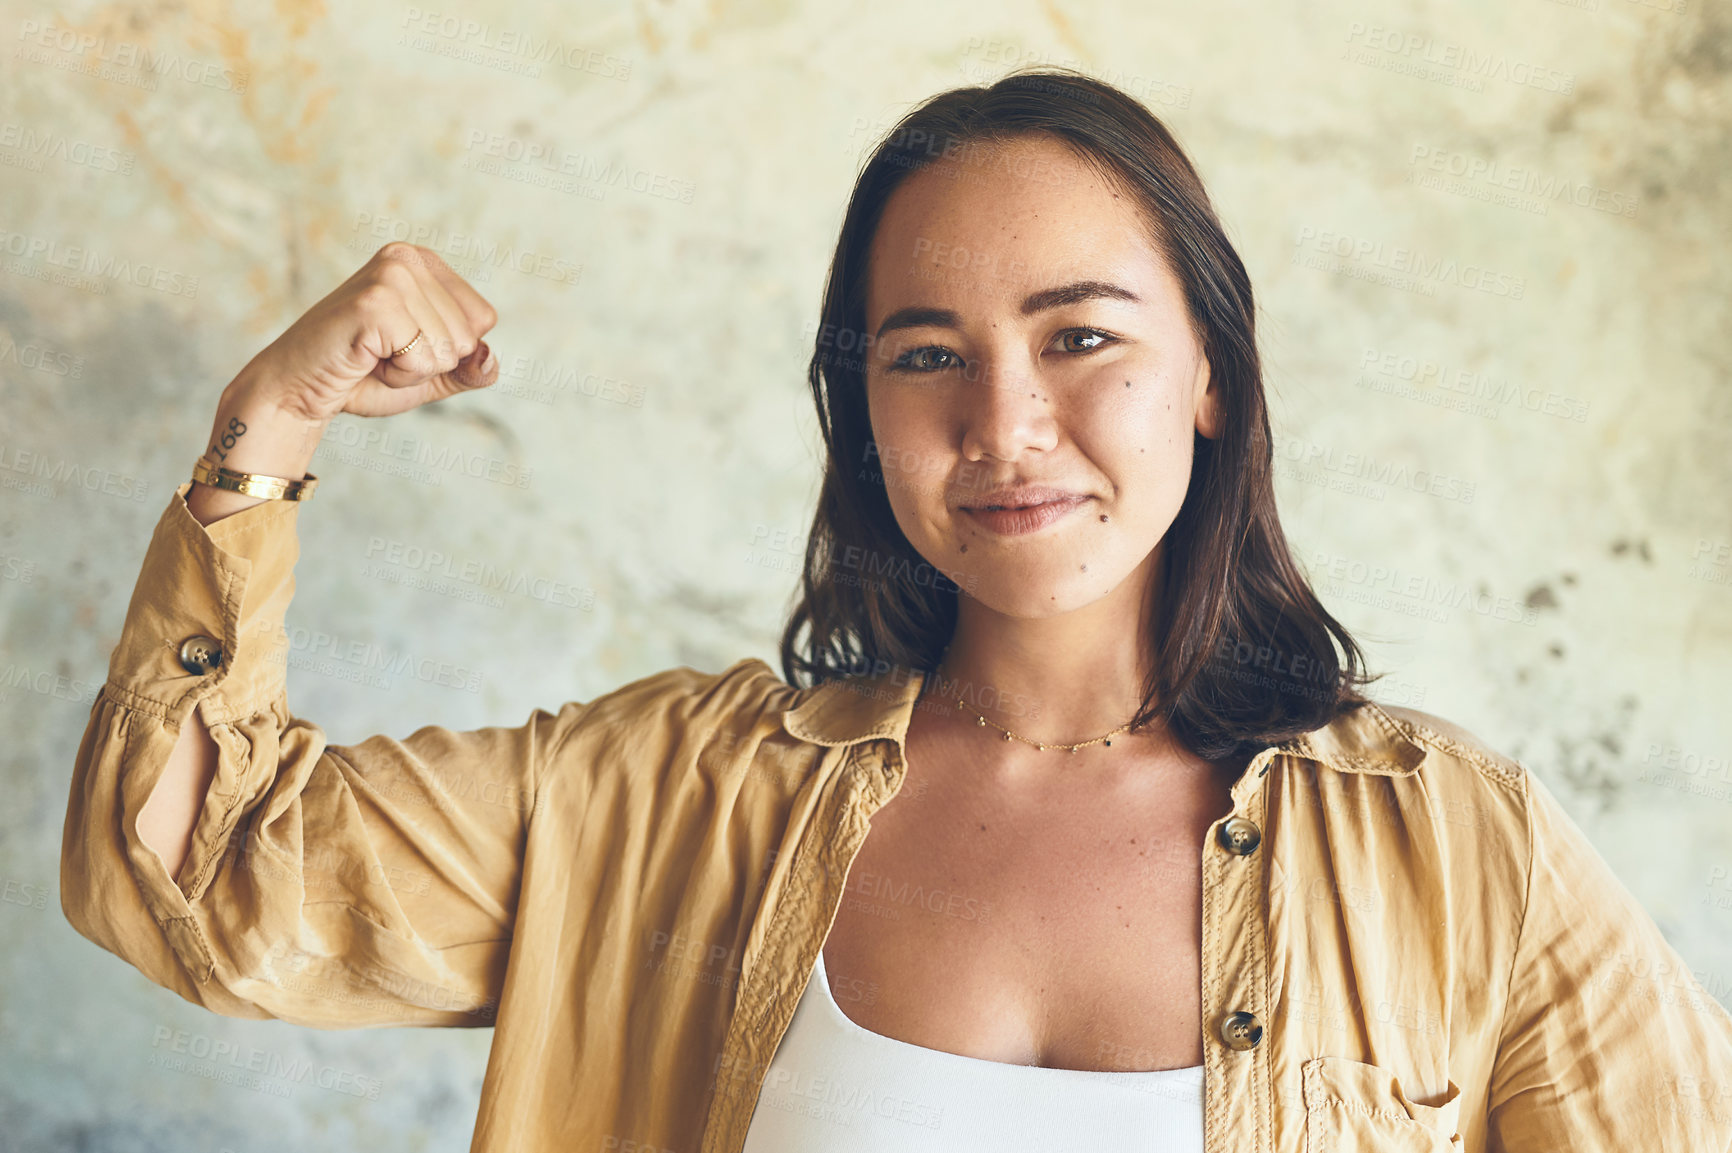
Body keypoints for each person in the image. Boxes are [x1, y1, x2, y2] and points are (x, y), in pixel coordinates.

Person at [60, 66, 1732, 1153]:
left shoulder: (1462, 852)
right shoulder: (667, 798)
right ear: (863, 404)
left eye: (1081, 336)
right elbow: (200, 881)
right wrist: (263, 432)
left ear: (1210, 374)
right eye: (926, 354)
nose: (1003, 426)